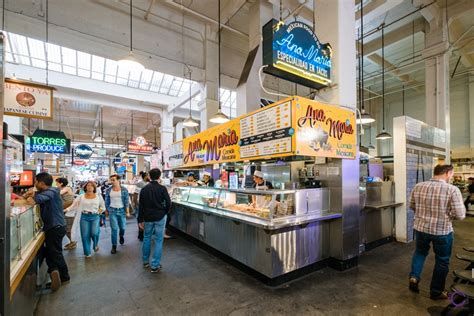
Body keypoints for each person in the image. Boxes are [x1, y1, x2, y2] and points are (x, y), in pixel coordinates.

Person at [408, 164, 466, 300]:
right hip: (442, 231)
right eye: (451, 174)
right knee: (442, 260)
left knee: (420, 253)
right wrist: (448, 215)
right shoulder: (452, 189)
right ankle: (436, 291)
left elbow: (412, 206)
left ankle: (414, 277)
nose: (451, 176)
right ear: (447, 173)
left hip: (421, 228)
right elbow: (461, 215)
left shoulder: (419, 186)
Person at [26, 172, 69, 292]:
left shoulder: (52, 192)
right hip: (54, 227)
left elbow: (35, 201)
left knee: (55, 252)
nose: (34, 184)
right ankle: (55, 272)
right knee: (52, 252)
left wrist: (31, 196)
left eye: (36, 182)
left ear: (41, 183)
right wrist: (33, 193)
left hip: (55, 227)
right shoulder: (51, 191)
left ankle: (63, 276)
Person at [138, 168, 171, 273]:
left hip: (147, 217)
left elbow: (141, 206)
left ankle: (145, 261)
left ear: (149, 176)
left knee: (146, 238)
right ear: (159, 176)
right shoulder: (162, 188)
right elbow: (168, 202)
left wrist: (140, 219)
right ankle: (155, 265)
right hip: (160, 217)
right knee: (158, 240)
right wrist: (164, 212)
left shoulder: (144, 189)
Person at [66, 181, 105, 258]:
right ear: (85, 187)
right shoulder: (81, 196)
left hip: (95, 216)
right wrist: (67, 209)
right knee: (85, 235)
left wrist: (98, 212)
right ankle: (87, 252)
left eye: (91, 186)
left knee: (94, 233)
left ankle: (95, 244)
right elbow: (74, 205)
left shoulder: (98, 196)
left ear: (94, 188)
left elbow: (103, 207)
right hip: (84, 217)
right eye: (88, 185)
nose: (89, 187)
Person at [105, 174, 130, 254]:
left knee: (122, 227)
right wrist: (107, 210)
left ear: (118, 180)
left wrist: (128, 211)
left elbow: (126, 201)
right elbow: (107, 201)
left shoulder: (124, 190)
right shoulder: (108, 190)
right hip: (112, 211)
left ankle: (121, 235)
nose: (112, 181)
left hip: (122, 211)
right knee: (114, 229)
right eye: (111, 180)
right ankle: (114, 246)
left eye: (113, 180)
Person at [55, 178, 77, 250]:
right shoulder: (62, 189)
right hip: (66, 210)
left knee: (68, 228)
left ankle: (73, 242)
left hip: (70, 211)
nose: (56, 184)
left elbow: (59, 193)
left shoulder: (67, 188)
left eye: (57, 183)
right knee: (66, 228)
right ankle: (72, 242)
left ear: (61, 183)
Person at [135, 171, 150, 241]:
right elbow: (135, 194)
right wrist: (135, 203)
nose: (149, 177)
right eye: (148, 176)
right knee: (140, 218)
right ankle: (140, 234)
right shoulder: (140, 184)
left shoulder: (148, 183)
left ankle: (142, 233)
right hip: (140, 204)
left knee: (143, 219)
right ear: (145, 176)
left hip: (146, 204)